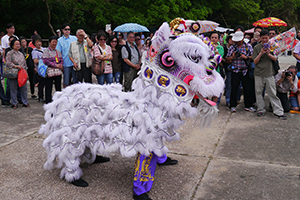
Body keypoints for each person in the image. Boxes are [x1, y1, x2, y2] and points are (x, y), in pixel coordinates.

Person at [252, 29, 286, 119]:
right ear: (260, 38)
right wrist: (261, 53)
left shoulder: (273, 46)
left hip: (269, 73)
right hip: (258, 73)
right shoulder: (256, 47)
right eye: (263, 38)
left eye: (266, 38)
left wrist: (268, 53)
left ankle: (278, 111)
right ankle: (260, 109)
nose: (264, 40)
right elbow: (255, 61)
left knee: (272, 92)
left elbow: (275, 59)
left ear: (269, 38)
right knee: (258, 92)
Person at [226, 31, 256, 113]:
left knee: (248, 89)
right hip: (235, 70)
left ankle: (248, 105)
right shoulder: (232, 47)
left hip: (245, 70)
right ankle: (232, 105)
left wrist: (246, 57)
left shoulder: (248, 46)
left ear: (242, 39)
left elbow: (253, 57)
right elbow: (227, 60)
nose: (237, 42)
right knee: (234, 88)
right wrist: (232, 56)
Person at [6, 39, 29, 109]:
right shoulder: (10, 53)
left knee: (24, 88)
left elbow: (24, 64)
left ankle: (25, 102)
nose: (18, 45)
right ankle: (14, 103)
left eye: (19, 44)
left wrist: (26, 73)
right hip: (14, 73)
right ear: (12, 45)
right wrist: (16, 66)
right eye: (16, 44)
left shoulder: (21, 54)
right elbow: (8, 63)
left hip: (22, 73)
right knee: (13, 88)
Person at [42, 36, 63, 104]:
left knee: (58, 86)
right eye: (53, 42)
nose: (54, 43)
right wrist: (55, 65)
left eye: (55, 42)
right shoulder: (46, 51)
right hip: (50, 71)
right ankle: (48, 100)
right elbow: (45, 60)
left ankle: (59, 100)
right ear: (50, 43)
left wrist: (60, 64)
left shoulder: (58, 51)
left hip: (57, 71)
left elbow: (61, 59)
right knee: (48, 86)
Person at [56, 23, 77, 88]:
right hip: (65, 63)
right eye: (66, 29)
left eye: (68, 29)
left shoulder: (74, 38)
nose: (67, 31)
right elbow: (58, 52)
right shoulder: (59, 40)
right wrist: (60, 63)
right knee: (66, 81)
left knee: (75, 80)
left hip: (74, 62)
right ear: (62, 30)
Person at [209, 31, 224, 104]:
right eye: (212, 37)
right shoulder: (206, 46)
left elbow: (219, 58)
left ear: (218, 39)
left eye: (215, 38)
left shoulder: (220, 47)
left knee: (216, 88)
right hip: (207, 70)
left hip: (216, 70)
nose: (214, 39)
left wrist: (215, 49)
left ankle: (215, 104)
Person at [32, 35, 46, 103]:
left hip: (46, 69)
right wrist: (43, 61)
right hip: (40, 70)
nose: (39, 43)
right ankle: (40, 97)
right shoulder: (35, 51)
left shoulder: (44, 49)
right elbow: (35, 61)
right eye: (37, 42)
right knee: (41, 84)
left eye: (40, 42)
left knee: (47, 84)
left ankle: (46, 96)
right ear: (34, 43)